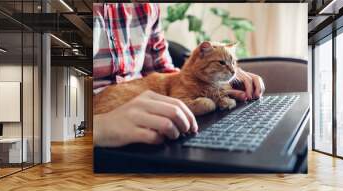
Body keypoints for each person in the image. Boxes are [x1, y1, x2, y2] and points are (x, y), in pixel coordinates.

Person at [93, 3, 265, 147]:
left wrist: (219, 80)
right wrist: (97, 128)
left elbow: (163, 69)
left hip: (152, 110)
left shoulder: (147, 7)